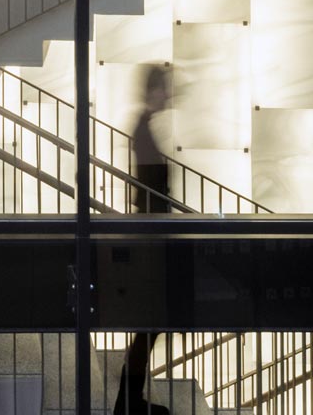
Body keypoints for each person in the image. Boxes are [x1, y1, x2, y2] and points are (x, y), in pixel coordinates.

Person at [115, 65, 173, 415]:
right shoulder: (144, 130)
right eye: (164, 87)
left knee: (148, 328)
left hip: (152, 239)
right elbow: (149, 194)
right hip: (151, 244)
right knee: (148, 328)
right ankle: (127, 402)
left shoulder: (145, 127)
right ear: (153, 90)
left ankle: (129, 401)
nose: (169, 94)